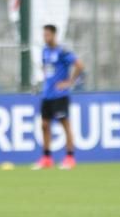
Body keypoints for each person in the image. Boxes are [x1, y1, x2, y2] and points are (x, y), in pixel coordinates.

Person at [32, 24, 84, 170]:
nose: (45, 37)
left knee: (65, 125)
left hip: (60, 95)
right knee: (44, 125)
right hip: (47, 94)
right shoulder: (44, 51)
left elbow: (79, 65)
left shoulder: (63, 51)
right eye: (44, 35)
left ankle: (70, 157)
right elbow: (46, 68)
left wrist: (69, 82)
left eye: (47, 35)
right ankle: (47, 158)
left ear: (54, 35)